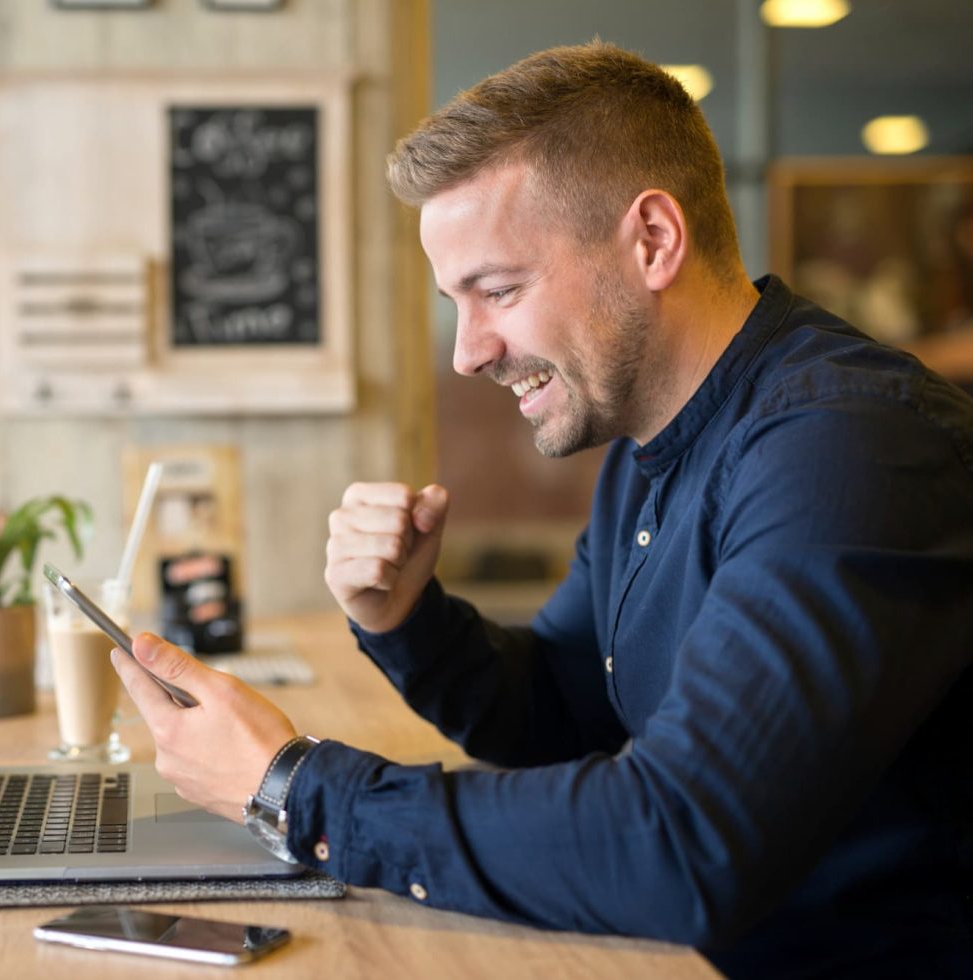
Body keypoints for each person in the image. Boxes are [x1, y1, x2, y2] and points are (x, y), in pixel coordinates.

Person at [109, 41, 973, 977]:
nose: (468, 352)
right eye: (457, 302)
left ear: (652, 240)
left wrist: (295, 789)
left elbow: (681, 844)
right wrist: (407, 620)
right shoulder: (651, 441)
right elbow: (565, 710)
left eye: (500, 290)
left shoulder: (849, 446)